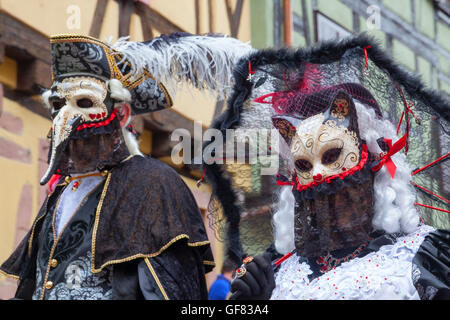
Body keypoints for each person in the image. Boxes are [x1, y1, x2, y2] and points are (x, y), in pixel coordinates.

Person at [0, 33, 252, 300]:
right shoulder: (61, 193)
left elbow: (170, 291)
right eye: (57, 105)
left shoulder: (154, 184)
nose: (66, 117)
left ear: (121, 114)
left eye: (84, 103)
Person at [202, 34, 450, 300]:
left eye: (332, 154)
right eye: (304, 164)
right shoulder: (279, 268)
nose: (319, 173)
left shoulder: (424, 256)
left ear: (373, 163)